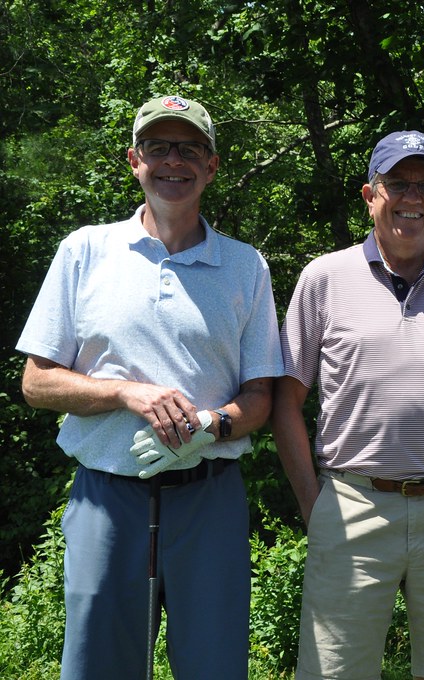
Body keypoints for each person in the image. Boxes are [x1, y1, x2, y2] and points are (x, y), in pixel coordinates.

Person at [16, 95, 284, 679]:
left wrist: (211, 425)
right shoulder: (85, 251)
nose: (174, 160)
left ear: (212, 166)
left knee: (214, 667)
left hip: (209, 497)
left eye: (190, 148)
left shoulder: (246, 266)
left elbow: (262, 396)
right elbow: (36, 383)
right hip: (106, 497)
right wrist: (124, 393)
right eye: (159, 147)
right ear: (133, 159)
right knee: (98, 665)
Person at [272, 130, 424, 680]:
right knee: (334, 671)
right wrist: (315, 505)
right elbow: (286, 402)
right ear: (369, 195)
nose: (413, 198)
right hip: (352, 506)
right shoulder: (323, 278)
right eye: (397, 184)